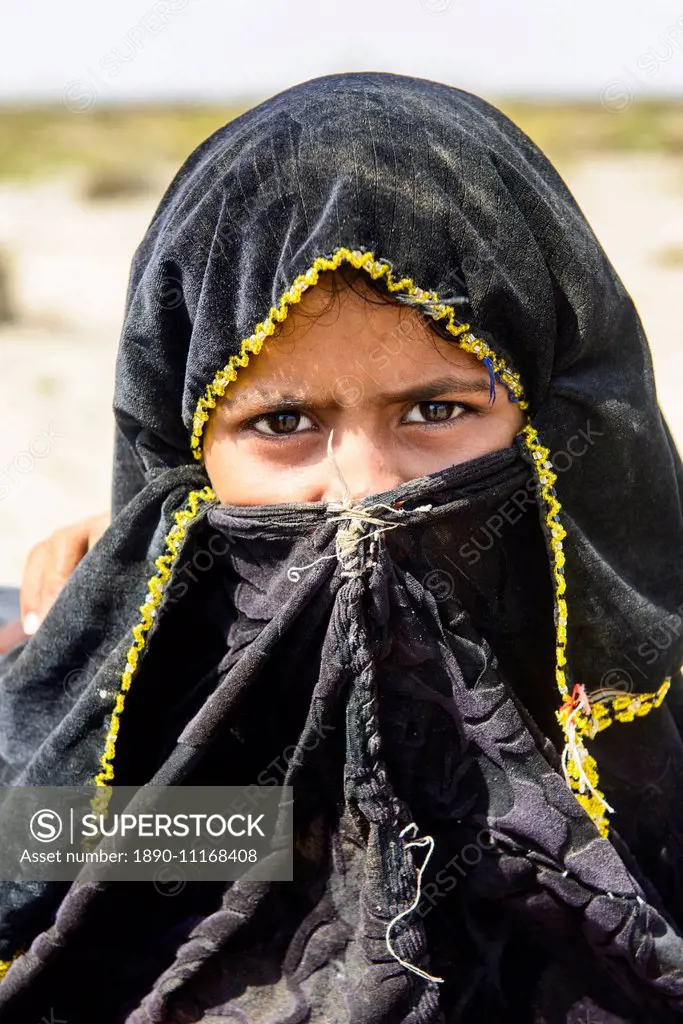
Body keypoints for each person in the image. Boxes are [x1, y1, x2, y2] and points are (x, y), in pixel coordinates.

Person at [1, 71, 683, 1023]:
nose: (364, 489)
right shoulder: (123, 708)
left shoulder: (646, 687)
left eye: (435, 410)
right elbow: (50, 854)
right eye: (282, 422)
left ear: (562, 417)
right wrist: (108, 620)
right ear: (183, 460)